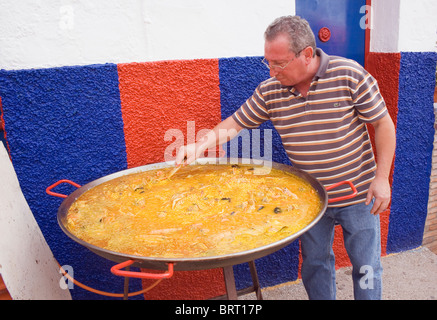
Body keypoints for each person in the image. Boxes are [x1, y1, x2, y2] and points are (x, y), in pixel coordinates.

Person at [175, 16, 396, 300]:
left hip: (360, 193)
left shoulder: (349, 74)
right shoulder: (270, 91)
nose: (272, 70)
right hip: (311, 197)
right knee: (315, 264)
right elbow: (235, 123)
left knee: (366, 266)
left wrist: (382, 179)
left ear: (306, 54)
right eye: (268, 62)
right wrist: (198, 145)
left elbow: (383, 124)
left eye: (279, 63)